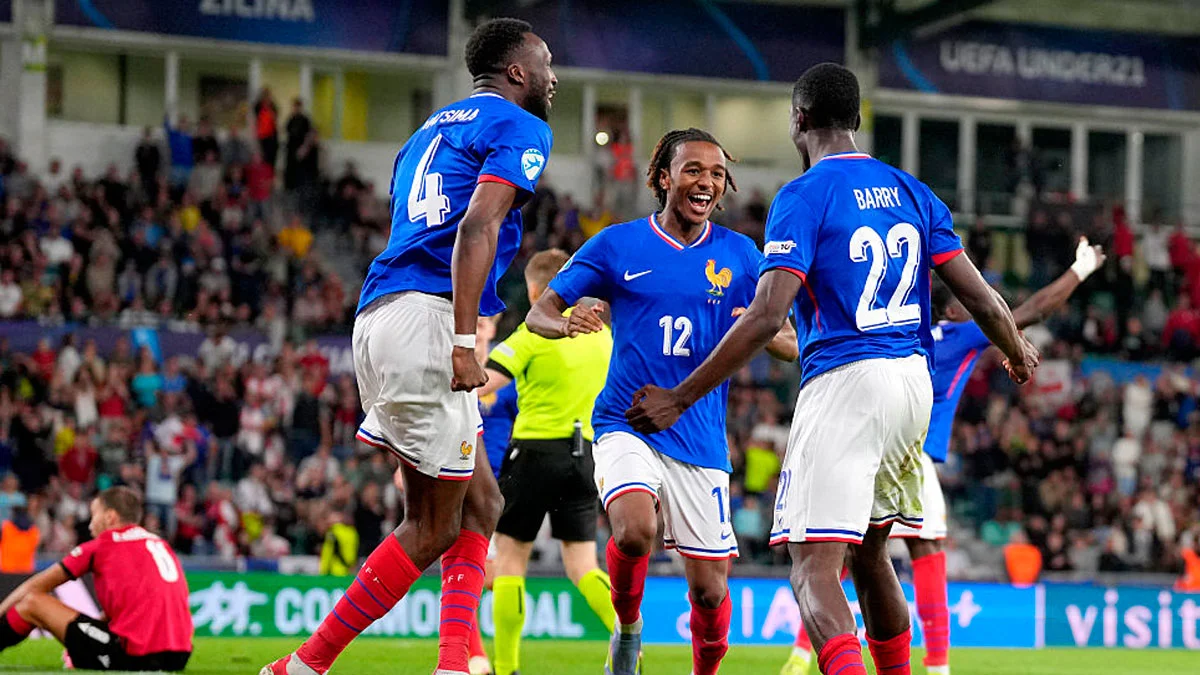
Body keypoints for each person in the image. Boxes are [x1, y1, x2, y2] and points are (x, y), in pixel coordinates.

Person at [625, 64, 1037, 675]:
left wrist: (680, 397)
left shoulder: (805, 195)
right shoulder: (912, 190)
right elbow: (979, 296)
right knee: (871, 556)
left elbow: (767, 316)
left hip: (848, 380)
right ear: (858, 119)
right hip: (911, 385)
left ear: (798, 120)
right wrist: (1015, 347)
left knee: (812, 567)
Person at [261, 17, 556, 675]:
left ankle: (457, 658)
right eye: (546, 63)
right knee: (432, 523)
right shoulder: (519, 125)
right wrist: (461, 337)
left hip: (380, 313)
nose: (553, 76)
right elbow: (476, 226)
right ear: (516, 72)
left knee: (481, 500)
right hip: (429, 321)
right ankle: (304, 665)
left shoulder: (426, 132)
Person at [526, 128, 798, 675]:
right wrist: (565, 323)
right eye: (694, 170)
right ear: (663, 177)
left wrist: (760, 327)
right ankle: (627, 627)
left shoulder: (743, 256)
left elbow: (790, 344)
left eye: (717, 174)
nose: (707, 182)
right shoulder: (615, 244)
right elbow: (539, 313)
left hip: (698, 438)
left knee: (709, 593)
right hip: (627, 420)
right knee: (633, 529)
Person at [783, 237, 1105, 675]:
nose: (979, 310)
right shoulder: (956, 335)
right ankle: (937, 667)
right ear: (954, 311)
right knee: (925, 546)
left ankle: (802, 656)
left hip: (855, 434)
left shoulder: (893, 331)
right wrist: (1081, 270)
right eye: (971, 306)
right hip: (907, 452)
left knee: (841, 550)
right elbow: (1034, 309)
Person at [477, 249, 615, 675]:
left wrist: (470, 353)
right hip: (585, 455)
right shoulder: (601, 336)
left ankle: (507, 667)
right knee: (583, 566)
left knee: (510, 561)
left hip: (534, 450)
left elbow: (486, 381)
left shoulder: (535, 333)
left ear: (537, 290)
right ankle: (627, 630)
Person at [0, 487, 192, 671]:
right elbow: (137, 604)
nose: (90, 524)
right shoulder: (158, 544)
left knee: (33, 603)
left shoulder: (102, 545)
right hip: (178, 656)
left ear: (110, 516)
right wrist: (83, 636)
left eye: (94, 515)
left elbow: (34, 587)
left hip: (134, 656)